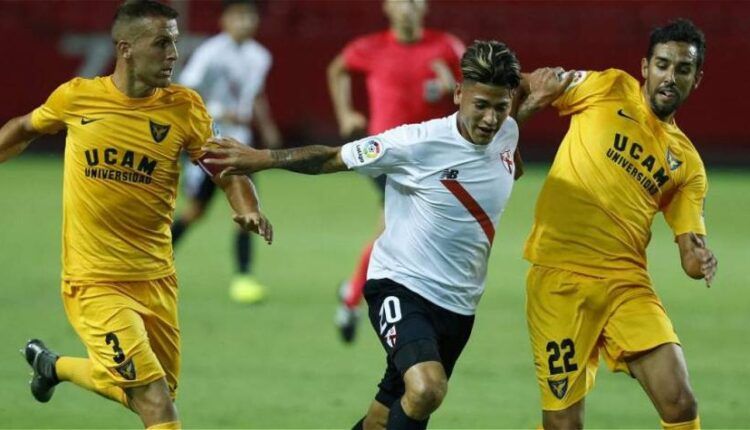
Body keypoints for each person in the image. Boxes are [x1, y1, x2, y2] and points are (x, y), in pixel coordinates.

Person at [203, 40, 522, 430]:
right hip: (401, 286)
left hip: (459, 305)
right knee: (426, 389)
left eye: (500, 107)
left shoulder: (508, 133)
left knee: (382, 418)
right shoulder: (415, 144)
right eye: (481, 106)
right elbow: (334, 157)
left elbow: (530, 101)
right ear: (458, 94)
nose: (490, 119)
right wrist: (265, 158)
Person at [0, 1, 272, 428]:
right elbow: (23, 128)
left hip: (155, 279)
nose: (173, 55)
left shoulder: (185, 108)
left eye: (175, 43)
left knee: (152, 391)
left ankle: (52, 367)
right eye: (162, 43)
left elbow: (224, 168)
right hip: (94, 281)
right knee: (156, 404)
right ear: (126, 48)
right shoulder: (77, 97)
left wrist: (248, 207)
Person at [515, 19, 717, 429]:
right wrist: (509, 135)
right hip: (560, 280)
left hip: (626, 284)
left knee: (680, 402)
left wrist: (701, 259)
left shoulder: (688, 165)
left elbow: (690, 251)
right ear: (644, 67)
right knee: (564, 425)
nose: (670, 76)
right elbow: (527, 83)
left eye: (682, 69)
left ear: (696, 79)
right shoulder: (605, 87)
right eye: (662, 64)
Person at [327, 0, 465, 343]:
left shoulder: (446, 46)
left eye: (415, 0)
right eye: (400, 0)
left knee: (403, 233)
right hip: (386, 157)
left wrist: (453, 88)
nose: (408, 7)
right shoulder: (370, 48)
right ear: (387, 7)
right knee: (394, 230)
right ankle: (353, 300)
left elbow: (473, 94)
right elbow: (337, 69)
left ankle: (353, 293)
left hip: (431, 158)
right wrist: (345, 114)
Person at [171, 0, 281, 304]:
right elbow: (187, 90)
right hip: (209, 144)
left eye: (250, 16)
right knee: (195, 212)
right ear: (225, 19)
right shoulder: (211, 53)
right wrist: (220, 111)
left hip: (240, 147)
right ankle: (151, 262)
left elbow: (255, 92)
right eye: (239, 16)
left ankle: (244, 278)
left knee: (248, 211)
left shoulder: (261, 56)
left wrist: (266, 124)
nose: (245, 22)